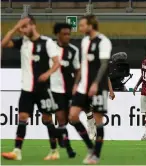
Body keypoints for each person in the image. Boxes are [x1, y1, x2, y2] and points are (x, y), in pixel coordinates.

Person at [1, 15, 60, 160]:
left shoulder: (47, 42)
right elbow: (3, 44)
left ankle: (54, 151)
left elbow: (57, 62)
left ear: (32, 25)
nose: (22, 30)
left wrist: (48, 73)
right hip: (27, 89)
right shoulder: (23, 42)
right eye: (21, 28)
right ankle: (17, 151)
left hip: (42, 89)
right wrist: (15, 28)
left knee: (47, 119)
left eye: (24, 26)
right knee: (22, 117)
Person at [69, 15, 112, 164]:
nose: (79, 28)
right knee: (73, 116)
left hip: (98, 87)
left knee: (98, 120)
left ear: (90, 26)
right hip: (82, 87)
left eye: (82, 25)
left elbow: (104, 64)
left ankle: (96, 155)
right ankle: (89, 146)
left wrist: (95, 83)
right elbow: (83, 64)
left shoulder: (103, 41)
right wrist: (76, 83)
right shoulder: (85, 41)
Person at [44, 23, 80, 160]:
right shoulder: (49, 47)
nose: (67, 36)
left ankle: (65, 148)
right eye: (64, 34)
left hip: (62, 90)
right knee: (46, 118)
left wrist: (76, 85)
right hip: (47, 88)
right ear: (57, 34)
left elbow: (77, 70)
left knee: (61, 120)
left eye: (69, 34)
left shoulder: (72, 50)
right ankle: (57, 148)